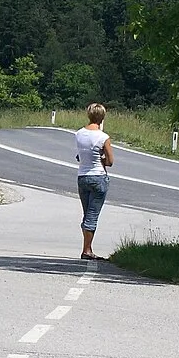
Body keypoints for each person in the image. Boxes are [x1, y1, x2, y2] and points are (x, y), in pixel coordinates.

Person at [75, 102, 114, 259]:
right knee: (92, 215)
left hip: (82, 176)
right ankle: (87, 250)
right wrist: (102, 158)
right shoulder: (103, 137)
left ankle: (87, 247)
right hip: (98, 176)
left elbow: (80, 156)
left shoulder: (79, 134)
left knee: (87, 213)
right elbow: (110, 161)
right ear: (102, 117)